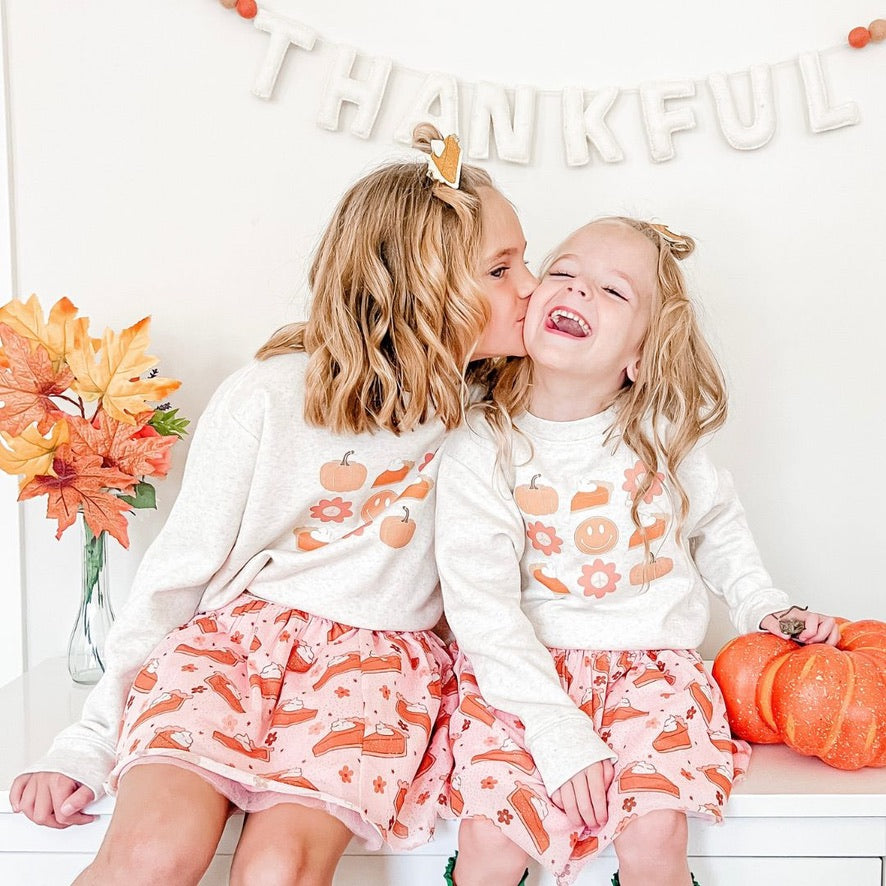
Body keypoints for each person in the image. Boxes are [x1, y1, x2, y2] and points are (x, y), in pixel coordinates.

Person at [10, 124, 537, 886]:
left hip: (375, 673)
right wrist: (87, 741)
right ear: (419, 285)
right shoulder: (269, 396)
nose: (530, 284)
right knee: (150, 857)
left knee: (277, 870)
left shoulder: (494, 428)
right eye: (501, 268)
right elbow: (175, 575)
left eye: (524, 260)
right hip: (231, 655)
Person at [434, 217, 839, 886]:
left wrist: (762, 606)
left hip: (652, 674)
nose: (579, 290)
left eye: (613, 292)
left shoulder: (661, 435)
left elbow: (717, 528)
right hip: (519, 677)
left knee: (656, 833)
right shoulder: (483, 445)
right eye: (562, 272)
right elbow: (483, 608)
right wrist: (557, 733)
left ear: (642, 356)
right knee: (490, 844)